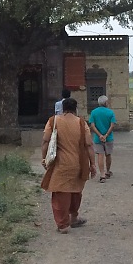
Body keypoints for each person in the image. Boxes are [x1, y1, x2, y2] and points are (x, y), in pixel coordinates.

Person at [41, 98, 97, 233]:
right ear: (75, 109)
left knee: (60, 194)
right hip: (78, 163)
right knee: (75, 191)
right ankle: (74, 217)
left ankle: (63, 224)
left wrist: (44, 158)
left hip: (60, 164)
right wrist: (93, 164)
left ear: (63, 108)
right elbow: (89, 145)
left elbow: (45, 141)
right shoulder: (81, 123)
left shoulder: (53, 121)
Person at [89, 95, 117, 182]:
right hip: (108, 138)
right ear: (106, 103)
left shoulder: (94, 112)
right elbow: (112, 125)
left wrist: (100, 135)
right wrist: (106, 135)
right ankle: (108, 171)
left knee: (100, 155)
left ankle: (102, 174)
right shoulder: (110, 112)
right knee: (108, 155)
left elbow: (92, 125)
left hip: (98, 138)